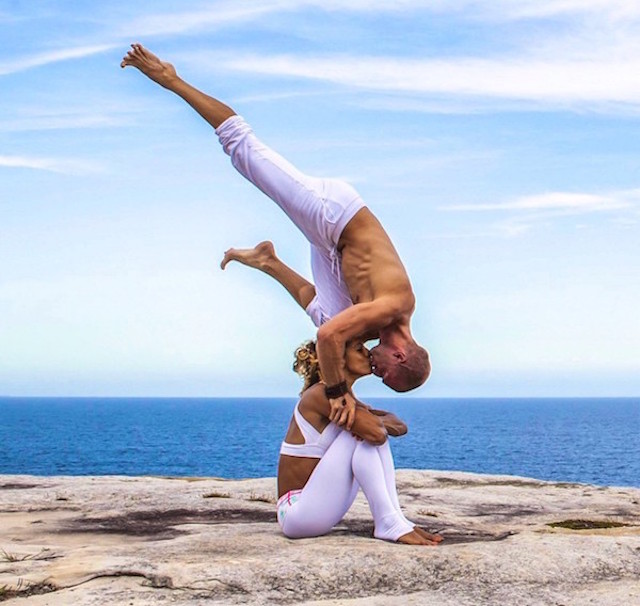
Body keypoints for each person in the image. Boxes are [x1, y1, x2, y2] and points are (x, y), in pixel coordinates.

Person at [121, 44, 431, 430]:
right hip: (335, 215)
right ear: (400, 356)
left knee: (329, 317)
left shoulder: (375, 327)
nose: (377, 373)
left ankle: (269, 261)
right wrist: (338, 394)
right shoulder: (395, 305)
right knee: (244, 151)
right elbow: (328, 337)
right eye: (385, 375)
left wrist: (361, 407)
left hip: (333, 250)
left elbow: (329, 328)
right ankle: (170, 78)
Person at [278, 339, 442, 545]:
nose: (368, 353)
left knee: (363, 433)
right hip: (295, 513)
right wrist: (372, 425)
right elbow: (377, 433)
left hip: (318, 510)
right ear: (337, 359)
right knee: (359, 436)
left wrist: (373, 423)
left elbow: (399, 426)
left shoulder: (348, 400)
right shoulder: (320, 394)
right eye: (359, 349)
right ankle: (388, 522)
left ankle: (395, 518)